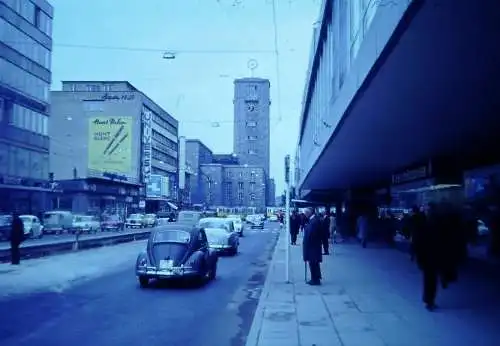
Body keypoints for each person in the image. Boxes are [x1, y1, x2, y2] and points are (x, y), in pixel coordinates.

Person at [302, 207, 323, 285]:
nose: (305, 214)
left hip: (313, 246)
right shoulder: (313, 220)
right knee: (314, 263)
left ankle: (315, 279)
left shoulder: (314, 221)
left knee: (313, 263)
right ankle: (316, 278)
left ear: (310, 212)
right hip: (314, 246)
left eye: (306, 213)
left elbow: (311, 234)